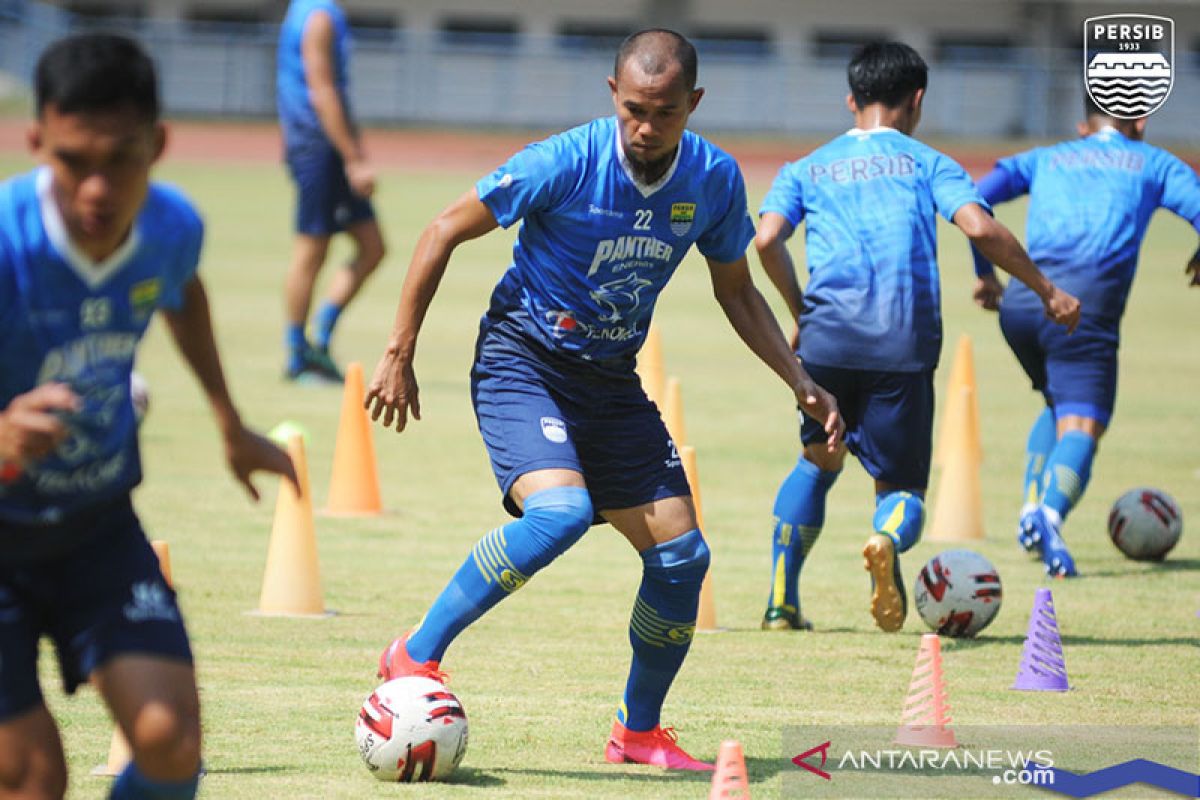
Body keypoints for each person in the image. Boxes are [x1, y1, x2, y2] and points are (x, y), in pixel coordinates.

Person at [364, 29, 842, 771]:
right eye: (634, 111)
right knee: (561, 515)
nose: (646, 129)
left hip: (611, 381)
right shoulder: (566, 160)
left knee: (683, 557)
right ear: (612, 95)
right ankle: (413, 653)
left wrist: (800, 378)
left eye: (665, 112)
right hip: (521, 361)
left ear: (695, 104)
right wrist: (400, 351)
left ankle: (638, 733)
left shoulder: (713, 180)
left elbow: (737, 290)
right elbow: (440, 232)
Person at [0, 33, 297, 799]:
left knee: (171, 741)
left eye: (121, 160)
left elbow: (181, 290)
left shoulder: (170, 229)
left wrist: (228, 421)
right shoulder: (7, 241)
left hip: (96, 526)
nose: (96, 189)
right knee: (33, 777)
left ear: (159, 144)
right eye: (72, 161)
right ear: (37, 142)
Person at [755, 42, 1080, 633]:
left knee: (817, 460)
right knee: (901, 488)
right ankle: (883, 538)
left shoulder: (804, 167)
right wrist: (1043, 288)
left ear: (851, 98)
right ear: (918, 100)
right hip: (901, 344)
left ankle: (781, 604)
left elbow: (766, 239)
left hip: (825, 341)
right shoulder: (927, 162)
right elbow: (978, 225)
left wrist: (801, 308)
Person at [970, 95, 1200, 577]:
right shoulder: (1155, 162)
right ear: (1140, 120)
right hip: (1082, 305)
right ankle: (1049, 515)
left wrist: (986, 275)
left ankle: (1030, 508)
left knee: (1056, 402)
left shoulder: (1046, 157)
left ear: (1082, 125)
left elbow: (976, 199)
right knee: (1083, 424)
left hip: (1022, 300)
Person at [277, 0, 386, 383]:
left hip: (325, 147)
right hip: (318, 146)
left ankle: (319, 338)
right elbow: (322, 91)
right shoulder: (318, 16)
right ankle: (297, 355)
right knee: (311, 252)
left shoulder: (315, 12)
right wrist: (353, 158)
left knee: (372, 246)